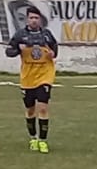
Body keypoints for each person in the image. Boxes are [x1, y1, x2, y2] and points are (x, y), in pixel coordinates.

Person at [5, 9, 58, 153]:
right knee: (30, 110)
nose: (34, 20)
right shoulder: (20, 35)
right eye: (31, 18)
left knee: (43, 107)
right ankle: (33, 138)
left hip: (44, 75)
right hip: (28, 77)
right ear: (27, 20)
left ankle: (43, 141)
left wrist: (53, 54)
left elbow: (55, 49)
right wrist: (18, 49)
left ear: (40, 19)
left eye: (36, 17)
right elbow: (9, 51)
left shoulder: (46, 34)